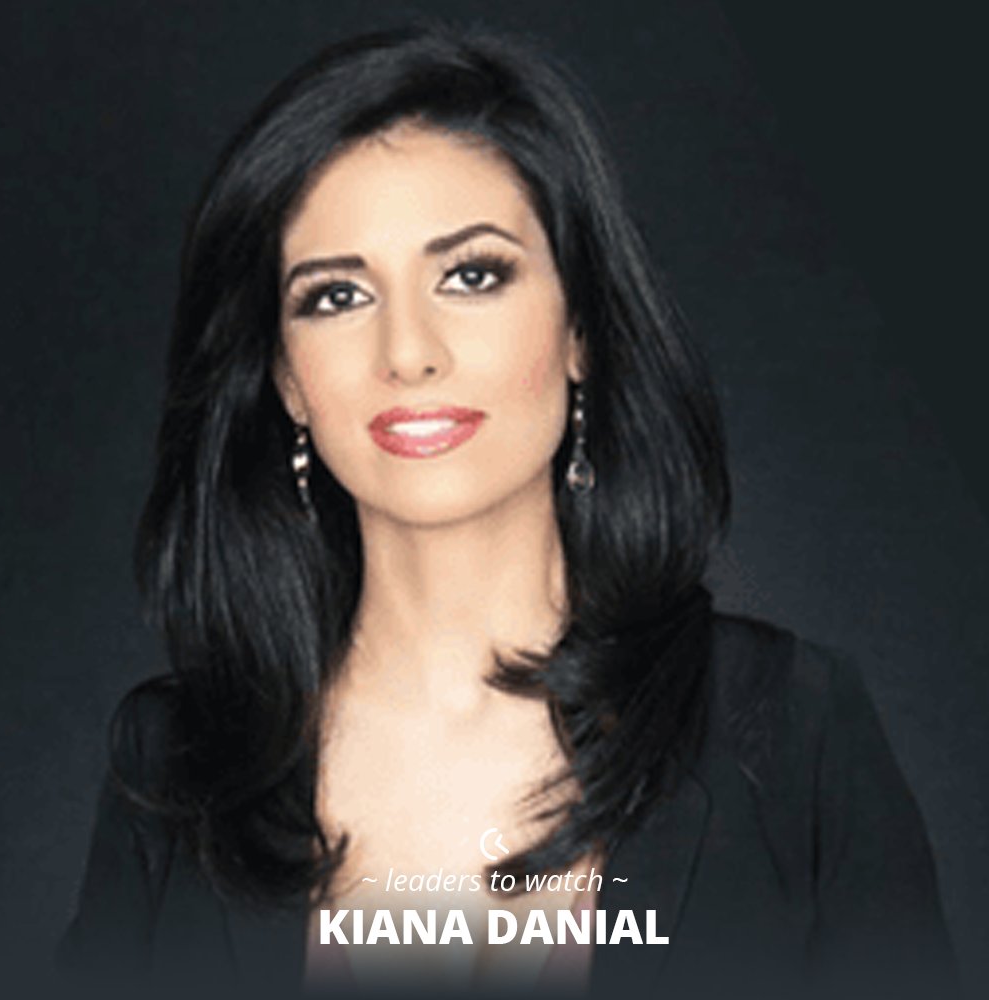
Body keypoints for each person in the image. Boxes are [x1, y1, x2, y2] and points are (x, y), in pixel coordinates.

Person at [56, 21, 957, 1000]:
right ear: (285, 379)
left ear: (580, 329)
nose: (408, 352)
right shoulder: (177, 764)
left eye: (472, 275)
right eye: (337, 295)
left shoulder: (788, 730)